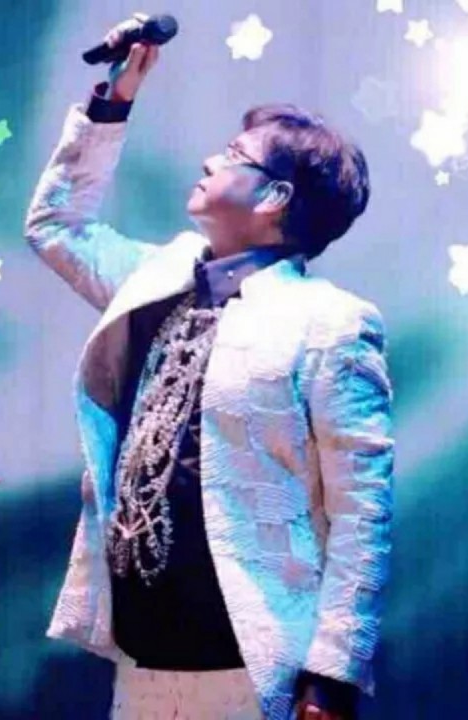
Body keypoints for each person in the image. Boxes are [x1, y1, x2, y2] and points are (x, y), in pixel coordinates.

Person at [24, 15, 395, 720]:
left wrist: (333, 672)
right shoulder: (156, 278)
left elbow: (361, 511)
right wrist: (113, 101)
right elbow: (56, 227)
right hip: (143, 655)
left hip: (253, 663)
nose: (208, 162)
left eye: (232, 155)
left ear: (275, 197)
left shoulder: (331, 322)